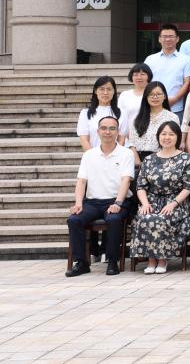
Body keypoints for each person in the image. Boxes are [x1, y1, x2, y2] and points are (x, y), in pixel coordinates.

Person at [66, 116, 134, 277]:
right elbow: (81, 181)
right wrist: (78, 203)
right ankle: (81, 262)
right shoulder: (89, 155)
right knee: (74, 220)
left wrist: (118, 203)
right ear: (97, 131)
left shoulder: (126, 153)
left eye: (112, 128)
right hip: (93, 202)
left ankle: (112, 261)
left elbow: (126, 180)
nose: (107, 132)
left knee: (113, 219)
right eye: (104, 128)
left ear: (118, 132)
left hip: (117, 200)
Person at [132, 121, 190, 274]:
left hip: (177, 202)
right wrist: (145, 204)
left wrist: (173, 204)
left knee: (161, 218)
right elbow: (141, 186)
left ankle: (162, 259)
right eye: (164, 134)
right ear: (158, 137)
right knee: (145, 217)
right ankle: (151, 260)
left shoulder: (186, 159)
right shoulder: (149, 159)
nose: (167, 137)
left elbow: (188, 187)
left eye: (171, 134)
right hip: (151, 201)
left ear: (178, 137)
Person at [144, 24, 190, 121]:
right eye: (165, 36)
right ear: (159, 39)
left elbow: (187, 82)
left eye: (171, 36)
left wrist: (175, 99)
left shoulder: (186, 59)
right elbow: (145, 81)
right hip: (153, 107)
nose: (168, 39)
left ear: (177, 39)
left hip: (176, 107)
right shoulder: (150, 59)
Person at [126, 82, 179, 165]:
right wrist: (138, 163)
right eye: (151, 94)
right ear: (146, 97)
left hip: (162, 161)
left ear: (164, 96)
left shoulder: (172, 117)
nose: (155, 97)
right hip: (138, 161)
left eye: (158, 94)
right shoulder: (137, 118)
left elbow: (174, 143)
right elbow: (131, 143)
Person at [78, 76, 120, 151]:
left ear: (114, 91)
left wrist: (114, 155)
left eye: (109, 89)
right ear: (95, 91)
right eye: (102, 89)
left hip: (117, 156)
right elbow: (84, 140)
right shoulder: (85, 113)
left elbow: (121, 139)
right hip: (92, 156)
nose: (105, 93)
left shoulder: (122, 113)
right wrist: (95, 156)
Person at [117, 63, 152, 140]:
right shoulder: (125, 95)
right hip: (128, 137)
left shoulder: (153, 94)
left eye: (142, 74)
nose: (139, 77)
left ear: (148, 76)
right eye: (135, 75)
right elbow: (120, 118)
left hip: (150, 137)